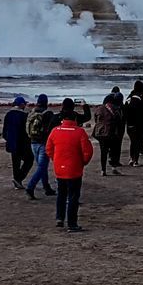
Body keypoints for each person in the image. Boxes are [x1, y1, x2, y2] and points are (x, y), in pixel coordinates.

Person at [45, 98, 93, 232]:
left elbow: (48, 148)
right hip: (74, 169)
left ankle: (59, 218)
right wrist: (83, 162)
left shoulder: (55, 130)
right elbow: (88, 151)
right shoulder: (79, 132)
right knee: (73, 197)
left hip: (60, 168)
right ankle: (72, 223)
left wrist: (56, 159)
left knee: (61, 194)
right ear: (75, 119)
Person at [24, 95, 58, 200]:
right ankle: (30, 187)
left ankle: (47, 188)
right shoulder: (48, 114)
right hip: (44, 143)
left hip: (33, 143)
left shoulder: (32, 112)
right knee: (42, 168)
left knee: (41, 167)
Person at [0, 95, 35, 187]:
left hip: (11, 143)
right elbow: (26, 131)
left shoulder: (8, 114)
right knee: (29, 160)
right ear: (22, 104)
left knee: (15, 163)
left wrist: (8, 139)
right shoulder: (23, 116)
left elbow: (4, 130)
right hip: (21, 143)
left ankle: (17, 181)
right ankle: (19, 178)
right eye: (24, 104)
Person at [93, 91, 125, 177]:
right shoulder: (116, 109)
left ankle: (103, 170)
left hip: (100, 133)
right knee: (113, 150)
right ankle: (113, 168)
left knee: (103, 152)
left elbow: (96, 119)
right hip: (111, 133)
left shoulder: (99, 108)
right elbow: (119, 122)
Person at [124, 81, 143, 167]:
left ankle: (132, 158)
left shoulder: (129, 97)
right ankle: (135, 159)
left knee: (133, 141)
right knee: (139, 140)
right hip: (141, 124)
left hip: (130, 124)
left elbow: (124, 109)